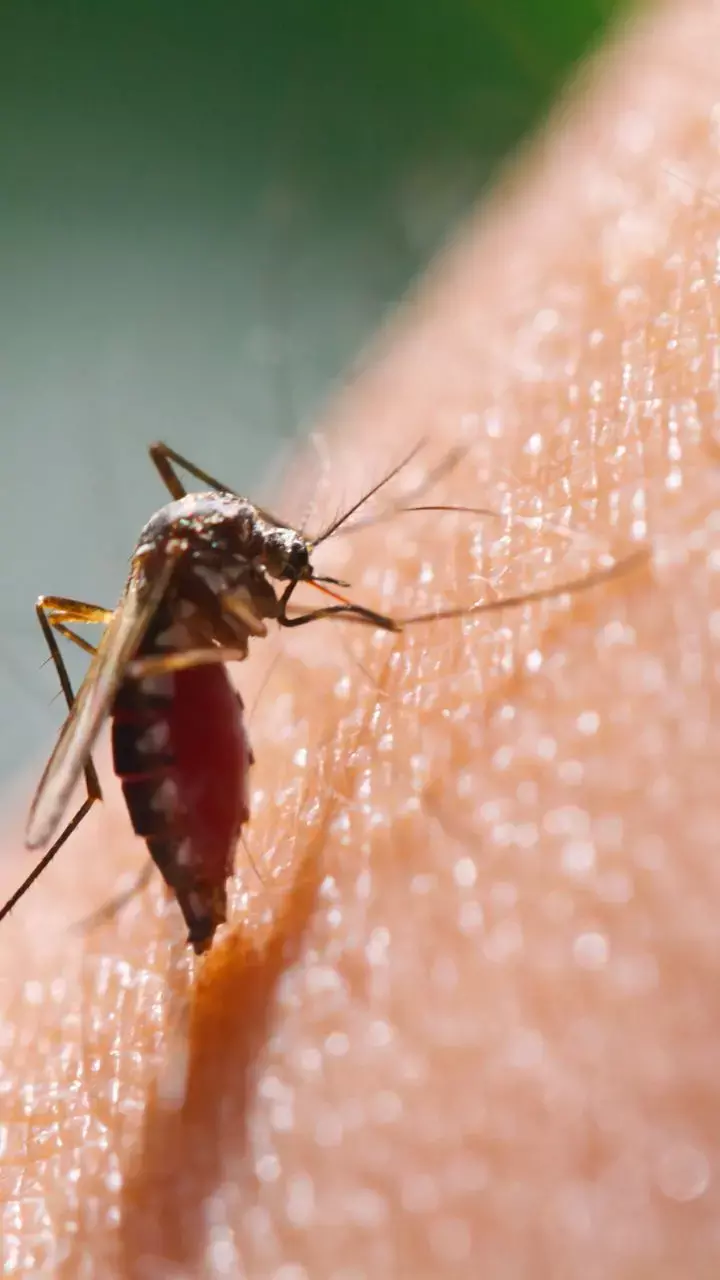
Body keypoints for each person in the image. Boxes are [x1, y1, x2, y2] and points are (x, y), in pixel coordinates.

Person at [2, 3, 720, 1274]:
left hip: (173, 623)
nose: (292, 575)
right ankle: (96, 852)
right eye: (278, 561)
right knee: (113, 644)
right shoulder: (196, 571)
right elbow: (173, 614)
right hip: (156, 691)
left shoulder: (217, 537)